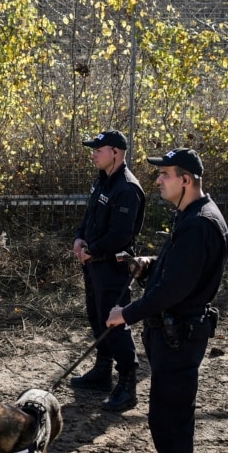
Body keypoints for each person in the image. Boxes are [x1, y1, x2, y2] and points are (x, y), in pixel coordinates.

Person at [104, 147, 228, 453]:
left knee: (170, 418)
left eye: (165, 175)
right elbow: (178, 271)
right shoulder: (191, 216)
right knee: (166, 412)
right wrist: (150, 264)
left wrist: (126, 313)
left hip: (180, 334)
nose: (158, 180)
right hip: (174, 333)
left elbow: (175, 289)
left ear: (186, 180)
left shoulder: (200, 224)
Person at [70, 129, 146, 411]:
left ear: (115, 152)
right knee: (97, 316)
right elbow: (89, 217)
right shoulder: (103, 181)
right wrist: (79, 238)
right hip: (93, 265)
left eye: (98, 150)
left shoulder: (127, 188)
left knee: (115, 322)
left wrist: (92, 250)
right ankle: (103, 371)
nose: (93, 154)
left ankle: (127, 384)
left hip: (112, 268)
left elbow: (120, 236)